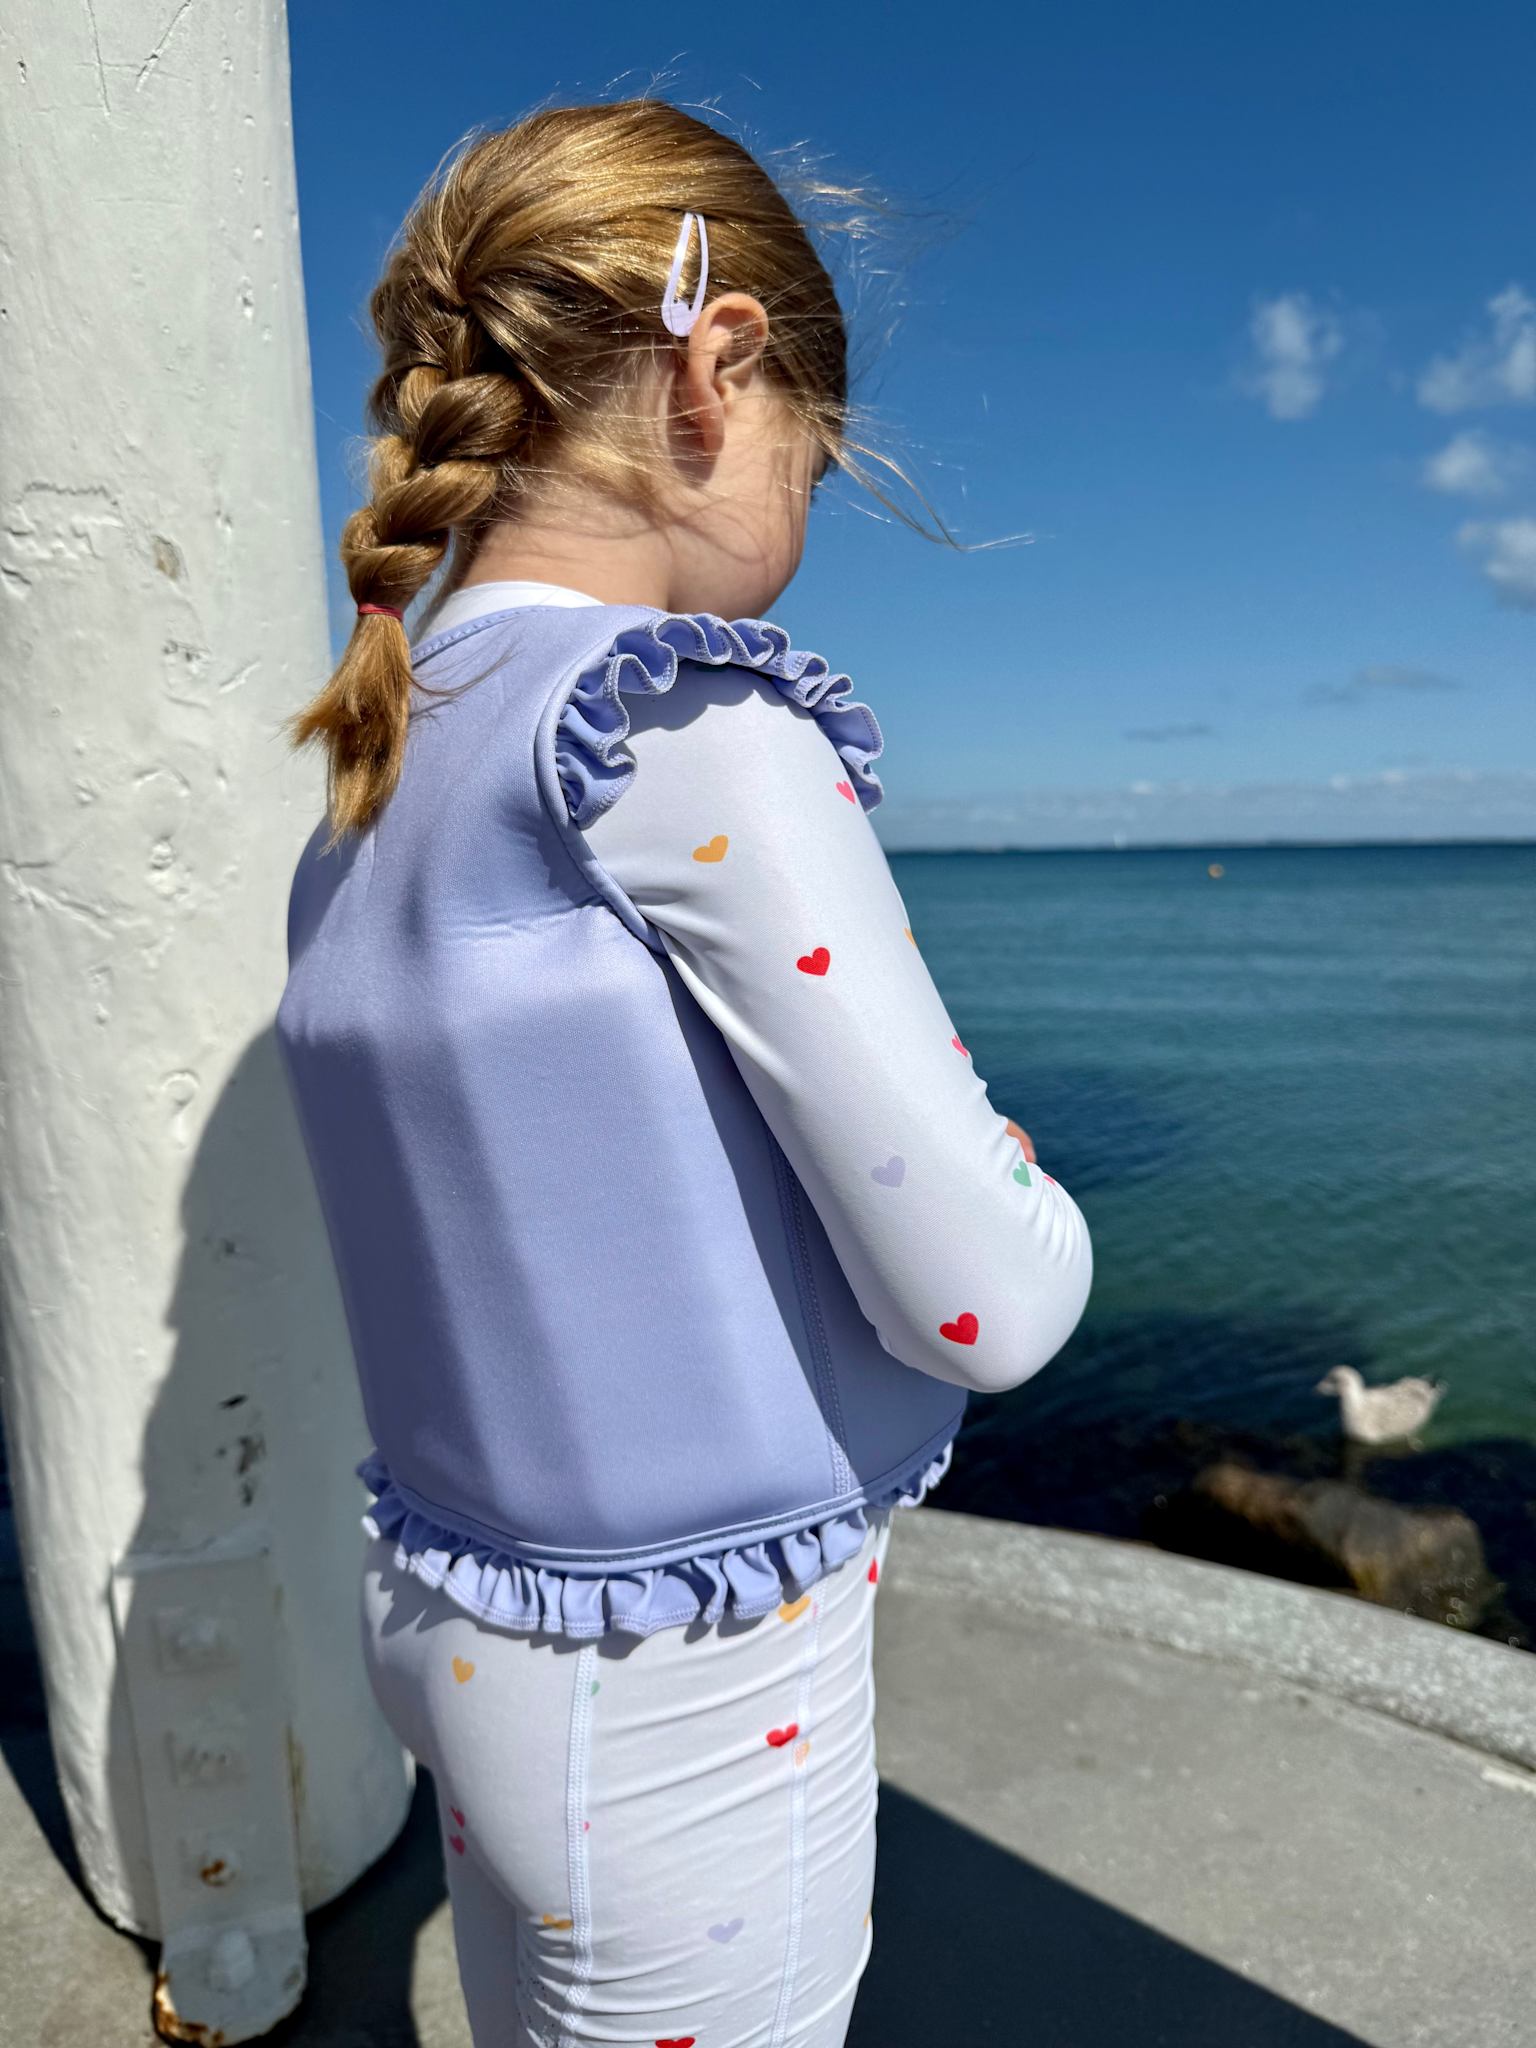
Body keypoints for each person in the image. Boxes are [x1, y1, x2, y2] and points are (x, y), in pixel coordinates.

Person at [275, 97, 1092, 2048]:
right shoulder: (687, 729)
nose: (809, 512)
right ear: (720, 369)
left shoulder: (385, 756)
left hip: (451, 1603)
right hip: (692, 1684)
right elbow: (984, 1304)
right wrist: (1014, 1180)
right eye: (818, 450)